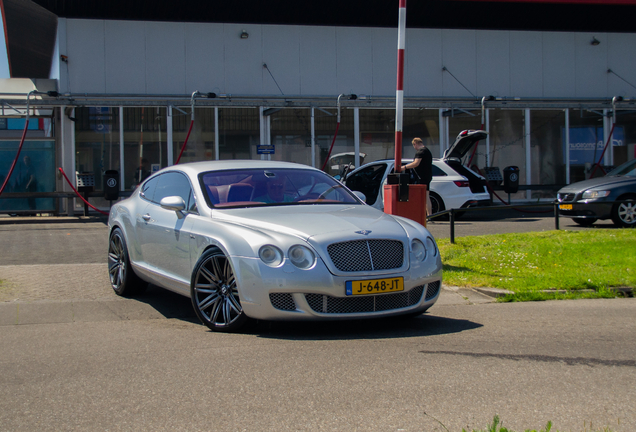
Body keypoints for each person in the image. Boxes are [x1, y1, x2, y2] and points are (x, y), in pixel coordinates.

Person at [399, 137, 433, 216]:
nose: (414, 148)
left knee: (421, 196)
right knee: (426, 196)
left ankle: (422, 214)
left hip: (421, 177)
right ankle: (429, 215)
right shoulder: (427, 151)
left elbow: (416, 163)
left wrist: (404, 167)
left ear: (415, 144)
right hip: (427, 176)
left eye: (414, 145)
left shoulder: (420, 152)